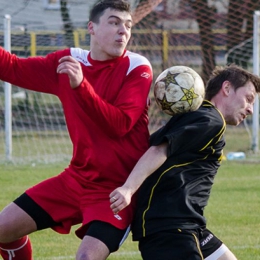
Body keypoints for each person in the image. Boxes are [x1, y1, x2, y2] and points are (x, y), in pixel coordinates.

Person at [0, 1, 153, 259]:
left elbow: (119, 125)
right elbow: (12, 68)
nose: (123, 31)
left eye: (128, 26)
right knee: (3, 230)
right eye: (114, 22)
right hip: (76, 179)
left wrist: (81, 86)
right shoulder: (68, 61)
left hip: (118, 190)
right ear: (91, 28)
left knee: (85, 258)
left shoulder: (137, 67)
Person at [110, 64, 260, 260]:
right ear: (226, 88)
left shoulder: (196, 116)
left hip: (187, 225)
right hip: (171, 228)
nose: (250, 110)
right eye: (248, 99)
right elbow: (158, 150)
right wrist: (128, 189)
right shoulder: (211, 121)